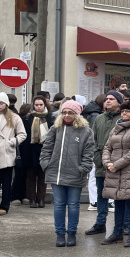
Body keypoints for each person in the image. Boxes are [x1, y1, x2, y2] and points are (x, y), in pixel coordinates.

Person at [40, 100, 95, 247]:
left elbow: (89, 153)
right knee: (59, 204)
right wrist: (46, 164)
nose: (66, 115)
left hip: (76, 174)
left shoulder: (86, 131)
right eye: (64, 112)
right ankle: (60, 234)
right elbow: (46, 149)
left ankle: (71, 233)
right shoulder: (55, 129)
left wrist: (83, 168)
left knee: (73, 205)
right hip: (56, 173)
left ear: (77, 114)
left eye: (70, 112)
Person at [101, 98, 130, 248]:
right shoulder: (116, 128)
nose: (124, 114)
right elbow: (107, 147)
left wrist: (116, 165)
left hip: (129, 170)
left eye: (127, 111)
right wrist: (107, 163)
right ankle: (117, 233)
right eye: (122, 111)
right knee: (118, 201)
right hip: (113, 169)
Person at [84, 91, 122, 236]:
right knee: (101, 194)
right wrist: (96, 157)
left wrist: (116, 161)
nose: (108, 101)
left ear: (119, 102)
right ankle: (100, 223)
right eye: (106, 99)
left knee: (118, 195)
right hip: (100, 162)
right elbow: (92, 140)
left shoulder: (122, 119)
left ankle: (121, 224)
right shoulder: (99, 118)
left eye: (112, 99)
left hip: (117, 164)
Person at [20, 96, 53, 208]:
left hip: (44, 150)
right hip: (30, 150)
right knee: (30, 176)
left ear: (44, 105)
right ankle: (32, 199)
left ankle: (41, 198)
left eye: (41, 105)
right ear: (33, 106)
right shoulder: (28, 118)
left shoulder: (50, 118)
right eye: (36, 105)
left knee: (42, 176)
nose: (38, 107)